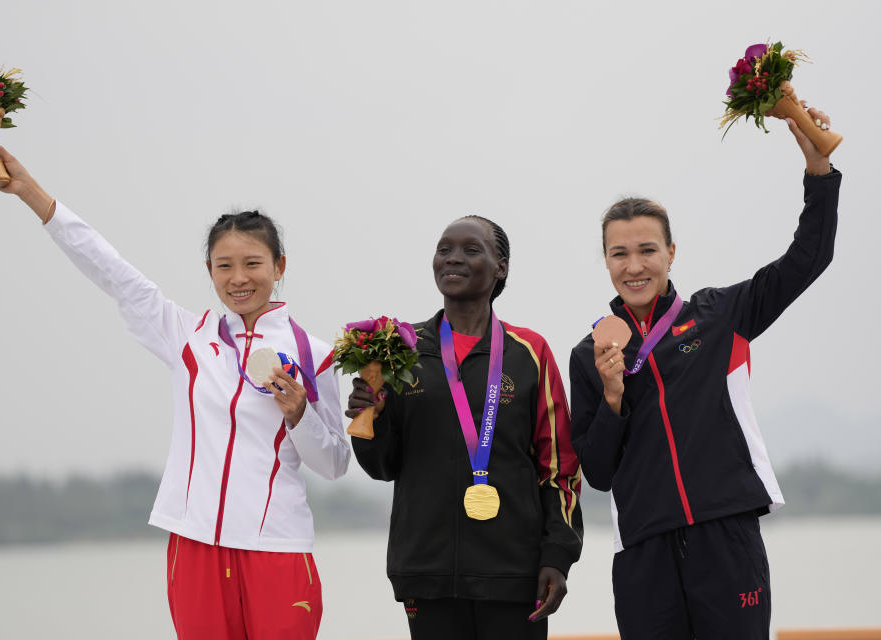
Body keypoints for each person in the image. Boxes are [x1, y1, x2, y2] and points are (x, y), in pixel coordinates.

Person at [0, 141, 351, 640]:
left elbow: (335, 465)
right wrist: (28, 191)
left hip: (277, 545)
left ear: (279, 267)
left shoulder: (314, 354)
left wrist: (299, 414)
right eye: (224, 266)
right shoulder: (187, 336)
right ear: (210, 272)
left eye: (253, 264)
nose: (239, 279)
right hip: (193, 542)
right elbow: (111, 270)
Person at [568, 108, 841, 639]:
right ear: (605, 262)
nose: (635, 266)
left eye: (648, 250)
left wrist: (819, 175)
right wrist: (613, 396)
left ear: (671, 253)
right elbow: (598, 473)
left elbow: (808, 258)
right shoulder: (589, 355)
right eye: (620, 253)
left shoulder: (719, 315)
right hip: (645, 553)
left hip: (726, 536)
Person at [347, 216, 583, 640]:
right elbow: (382, 466)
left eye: (470, 250)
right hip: (427, 572)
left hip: (515, 574)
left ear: (501, 267)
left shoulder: (529, 352)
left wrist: (557, 555)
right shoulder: (398, 349)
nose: (453, 258)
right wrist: (372, 421)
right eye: (444, 249)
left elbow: (558, 467)